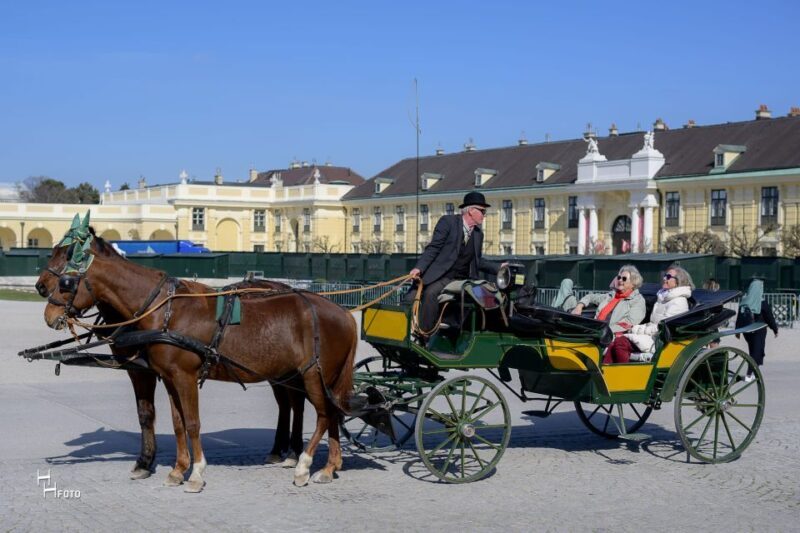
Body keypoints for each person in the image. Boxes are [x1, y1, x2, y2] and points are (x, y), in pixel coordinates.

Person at [408, 191, 501, 335]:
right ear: (471, 210)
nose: (485, 214)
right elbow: (433, 248)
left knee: (488, 297)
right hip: (443, 276)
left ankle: (480, 332)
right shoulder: (448, 222)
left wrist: (500, 268)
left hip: (464, 279)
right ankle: (424, 335)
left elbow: (478, 261)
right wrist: (418, 268)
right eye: (482, 211)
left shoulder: (478, 234)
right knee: (430, 293)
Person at [571, 265, 646, 364]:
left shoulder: (638, 300)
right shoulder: (612, 295)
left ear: (633, 283)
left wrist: (605, 330)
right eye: (619, 277)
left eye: (624, 278)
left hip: (612, 334)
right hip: (597, 330)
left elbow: (630, 322)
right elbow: (590, 296)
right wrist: (579, 306)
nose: (620, 280)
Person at [620, 265, 695, 363]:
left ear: (678, 281)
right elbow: (653, 324)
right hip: (653, 336)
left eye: (668, 277)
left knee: (620, 344)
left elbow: (662, 328)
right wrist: (633, 327)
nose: (664, 278)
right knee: (616, 342)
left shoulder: (678, 302)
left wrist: (634, 329)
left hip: (659, 341)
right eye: (664, 276)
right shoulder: (663, 298)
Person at [736, 279, 779, 382]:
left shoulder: (745, 300)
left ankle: (754, 373)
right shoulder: (762, 302)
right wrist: (775, 329)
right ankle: (749, 374)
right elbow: (769, 317)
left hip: (746, 331)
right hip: (758, 330)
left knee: (754, 351)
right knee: (756, 352)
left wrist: (738, 331)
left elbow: (739, 316)